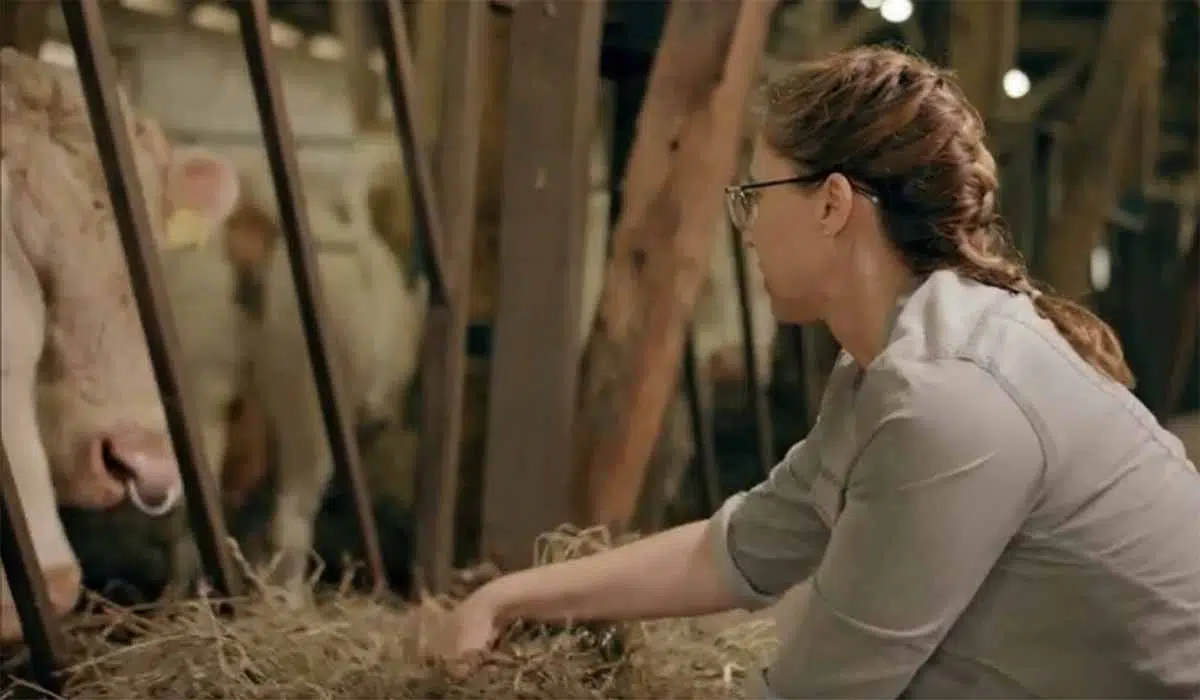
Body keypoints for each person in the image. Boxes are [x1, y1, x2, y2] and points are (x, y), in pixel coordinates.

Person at [434, 46, 1200, 698]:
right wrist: (511, 597)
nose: (749, 233)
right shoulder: (893, 364)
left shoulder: (953, 397)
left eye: (754, 197)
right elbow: (741, 547)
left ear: (833, 204)